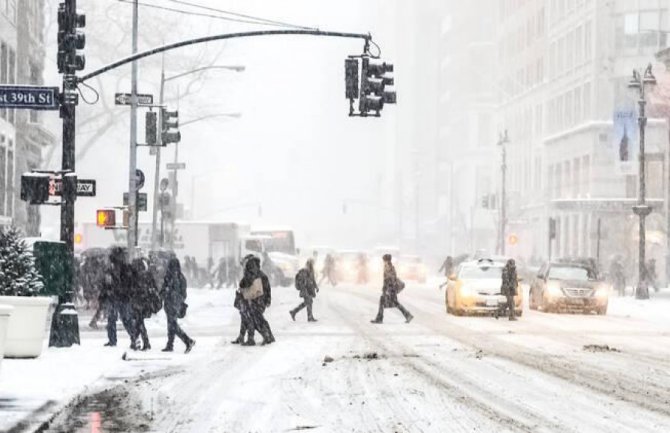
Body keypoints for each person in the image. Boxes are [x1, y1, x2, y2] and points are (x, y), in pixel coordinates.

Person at [102, 247, 137, 348]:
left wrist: (109, 289)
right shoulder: (124, 268)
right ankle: (133, 337)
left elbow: (109, 283)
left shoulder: (121, 269)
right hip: (120, 297)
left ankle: (115, 339)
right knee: (122, 319)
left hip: (119, 297)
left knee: (116, 319)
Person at [238, 255, 275, 345]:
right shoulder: (261, 274)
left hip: (254, 301)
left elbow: (243, 284)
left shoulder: (250, 273)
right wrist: (268, 299)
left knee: (253, 319)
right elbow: (267, 288)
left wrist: (245, 274)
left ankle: (258, 337)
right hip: (260, 302)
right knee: (257, 319)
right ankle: (268, 336)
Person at [161, 257, 195, 353]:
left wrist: (172, 295)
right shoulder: (175, 277)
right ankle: (170, 344)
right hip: (171, 304)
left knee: (172, 325)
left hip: (173, 304)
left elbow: (182, 293)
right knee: (171, 324)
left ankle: (188, 341)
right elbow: (182, 293)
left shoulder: (176, 277)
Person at [371, 254, 413, 324]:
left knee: (390, 302)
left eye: (384, 260)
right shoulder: (388, 267)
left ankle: (379, 318)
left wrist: (388, 289)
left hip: (390, 290)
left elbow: (390, 279)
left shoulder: (389, 267)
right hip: (389, 289)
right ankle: (408, 315)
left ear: (386, 260)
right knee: (394, 303)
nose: (383, 261)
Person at [131, 257, 161, 351]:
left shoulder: (137, 276)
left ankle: (143, 342)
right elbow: (154, 288)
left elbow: (134, 290)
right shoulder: (147, 275)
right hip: (145, 303)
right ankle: (136, 341)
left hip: (139, 303)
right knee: (139, 323)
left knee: (139, 323)